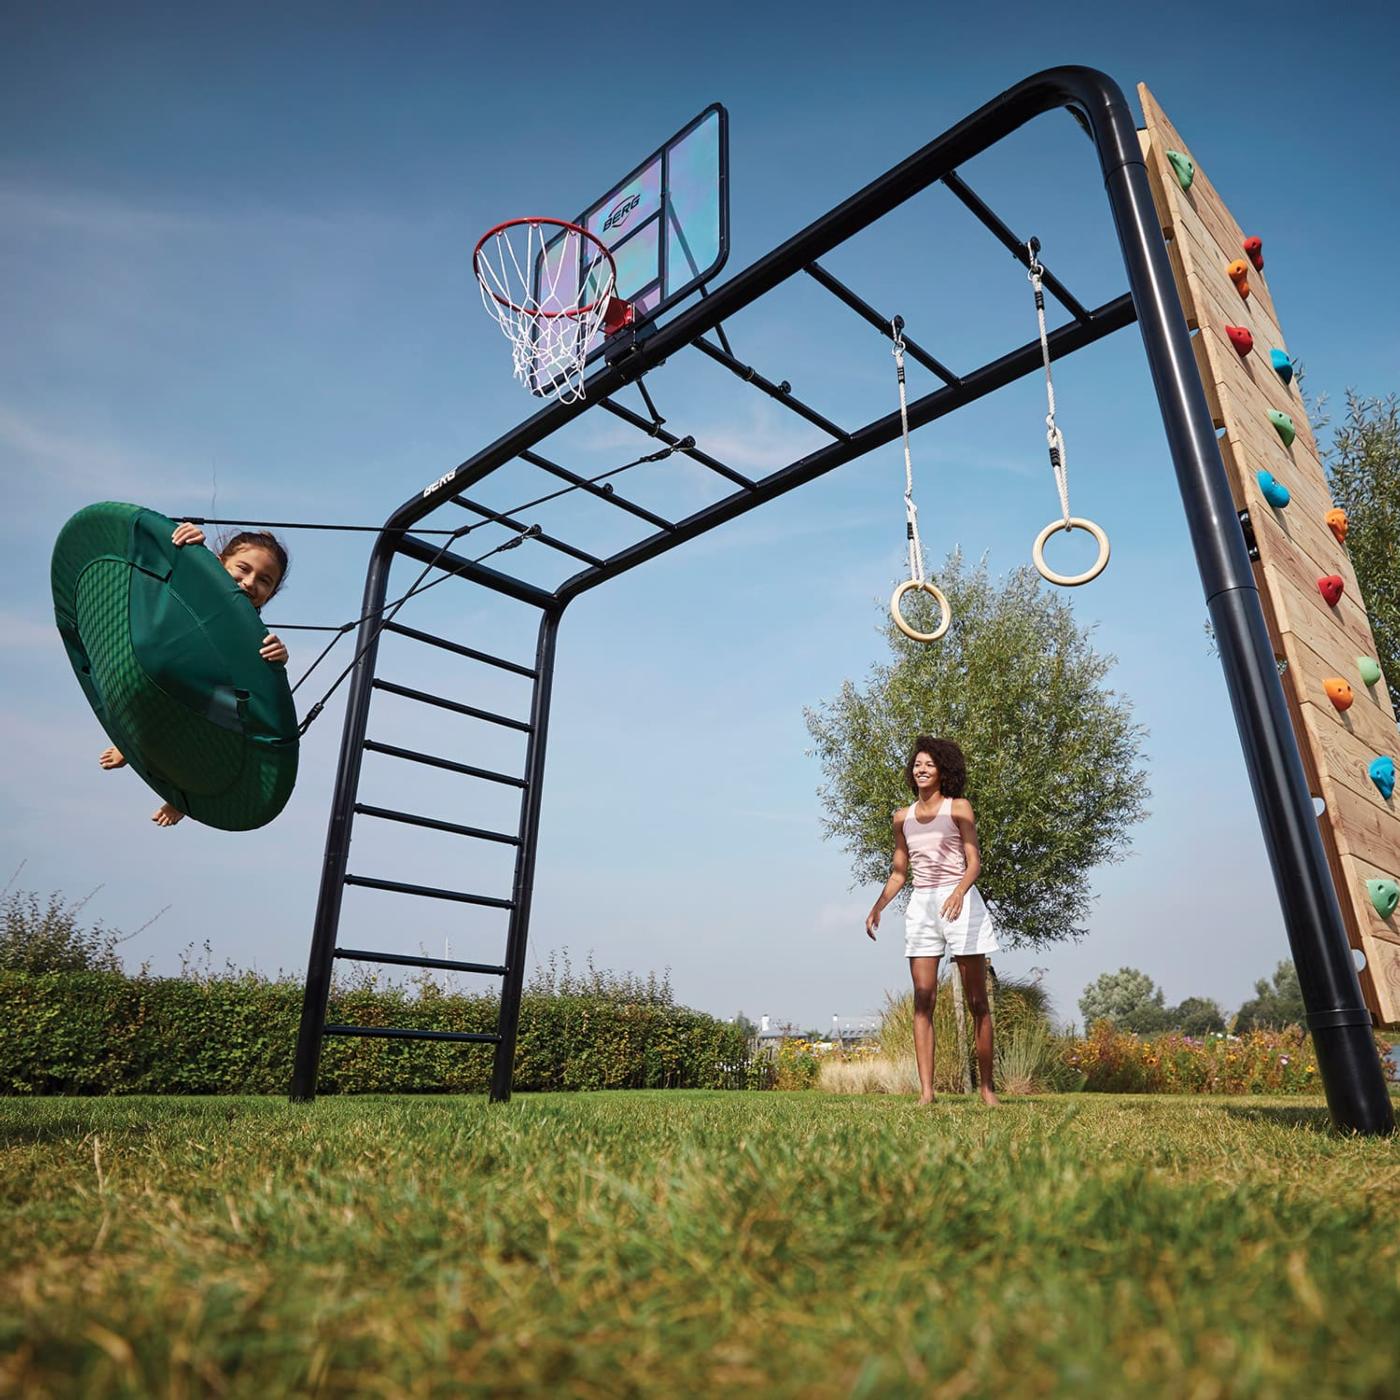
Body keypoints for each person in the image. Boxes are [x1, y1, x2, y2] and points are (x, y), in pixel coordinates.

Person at [98, 522, 290, 827]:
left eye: (264, 581)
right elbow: (156, 563)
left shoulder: (251, 631)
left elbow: (259, 671)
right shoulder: (192, 586)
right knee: (154, 689)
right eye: (242, 568)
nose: (250, 582)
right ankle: (131, 745)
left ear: (271, 594)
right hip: (165, 670)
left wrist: (279, 654)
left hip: (205, 702)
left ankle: (183, 796)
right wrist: (188, 547)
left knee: (227, 731)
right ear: (219, 563)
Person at [865, 736, 999, 1105]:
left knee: (977, 1001)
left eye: (929, 765)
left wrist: (958, 893)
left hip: (961, 902)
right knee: (923, 1000)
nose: (921, 769)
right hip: (922, 905)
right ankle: (927, 1093)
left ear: (943, 771)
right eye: (917, 765)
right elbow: (898, 873)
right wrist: (878, 906)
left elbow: (974, 863)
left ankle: (987, 1090)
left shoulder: (959, 809)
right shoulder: (901, 818)